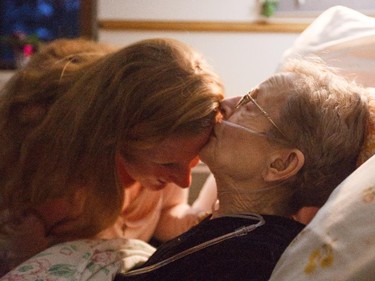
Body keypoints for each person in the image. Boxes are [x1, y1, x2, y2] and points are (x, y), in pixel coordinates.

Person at [113, 57, 369, 281]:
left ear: (281, 164)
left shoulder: (252, 261)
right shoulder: (232, 228)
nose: (225, 104)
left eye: (249, 105)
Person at [0, 37, 224, 276]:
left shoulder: (171, 144)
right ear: (117, 136)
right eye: (168, 164)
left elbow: (167, 213)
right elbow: (30, 269)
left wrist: (199, 220)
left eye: (194, 161)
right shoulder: (55, 174)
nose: (184, 181)